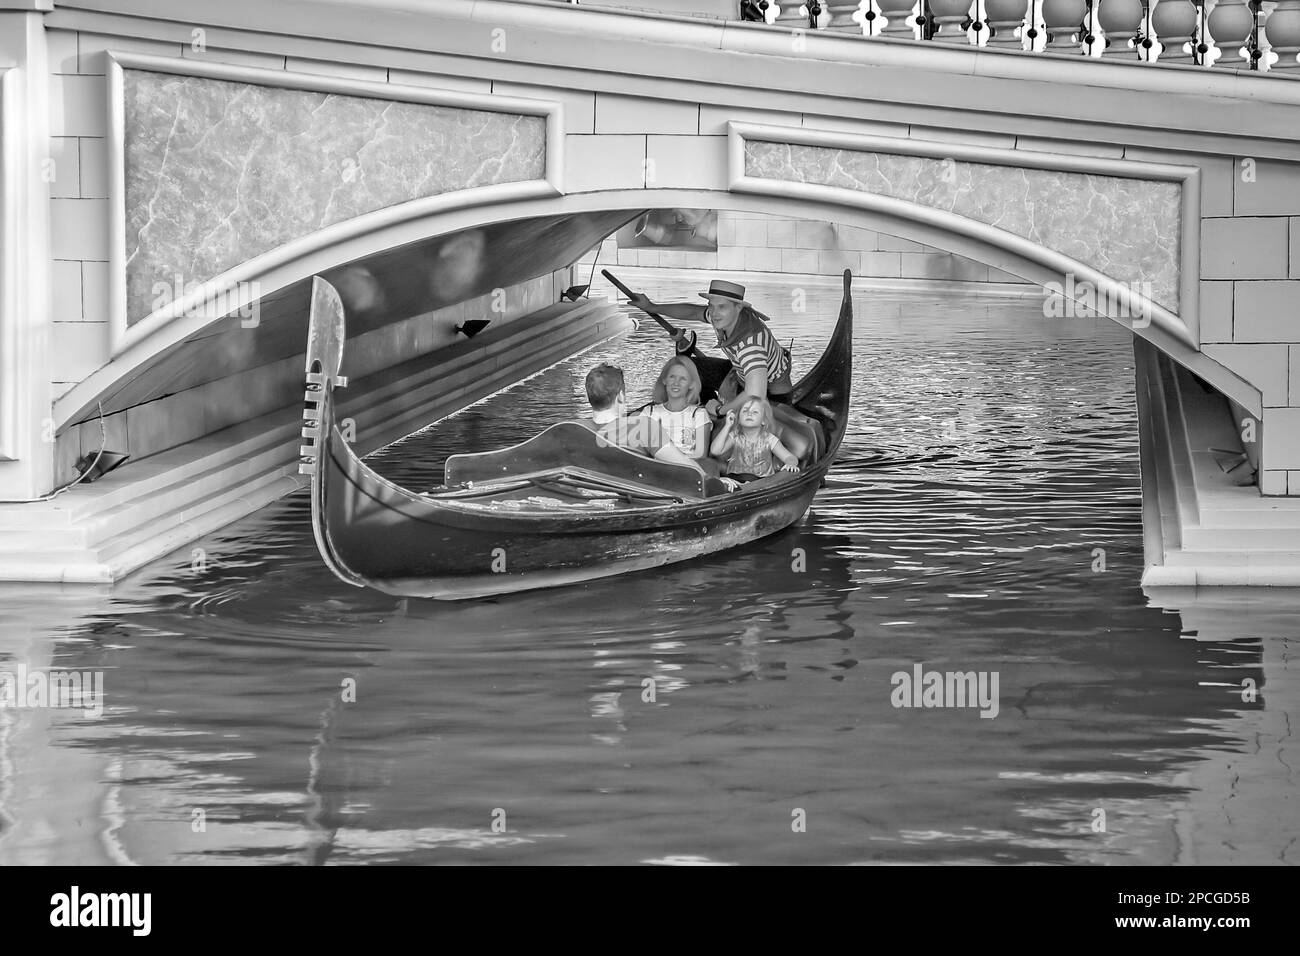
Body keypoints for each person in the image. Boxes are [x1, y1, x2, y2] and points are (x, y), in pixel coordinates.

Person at [627, 279, 792, 422]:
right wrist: (652, 307)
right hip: (739, 374)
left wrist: (720, 410)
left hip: (770, 395)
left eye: (721, 307)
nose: (714, 313)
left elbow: (756, 394)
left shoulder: (750, 346)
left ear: (738, 308)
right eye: (711, 306)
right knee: (684, 368)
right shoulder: (724, 317)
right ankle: (698, 407)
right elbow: (693, 312)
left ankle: (709, 412)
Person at [577, 364, 705, 475]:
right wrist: (715, 482)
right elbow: (689, 468)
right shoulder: (644, 427)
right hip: (637, 498)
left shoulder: (575, 429)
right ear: (621, 396)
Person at [639, 356, 712, 464]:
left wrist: (670, 458)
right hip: (653, 468)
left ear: (691, 384)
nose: (676, 383)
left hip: (686, 471)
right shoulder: (649, 412)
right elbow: (639, 448)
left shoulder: (698, 414)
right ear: (664, 380)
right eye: (672, 377)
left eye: (683, 378)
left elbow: (700, 455)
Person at [710, 396, 800, 481]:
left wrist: (790, 464)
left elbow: (790, 457)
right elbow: (715, 451)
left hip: (761, 481)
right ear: (739, 419)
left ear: (764, 420)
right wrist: (727, 426)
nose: (749, 414)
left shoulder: (769, 439)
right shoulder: (735, 435)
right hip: (736, 479)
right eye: (745, 411)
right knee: (711, 464)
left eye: (755, 412)